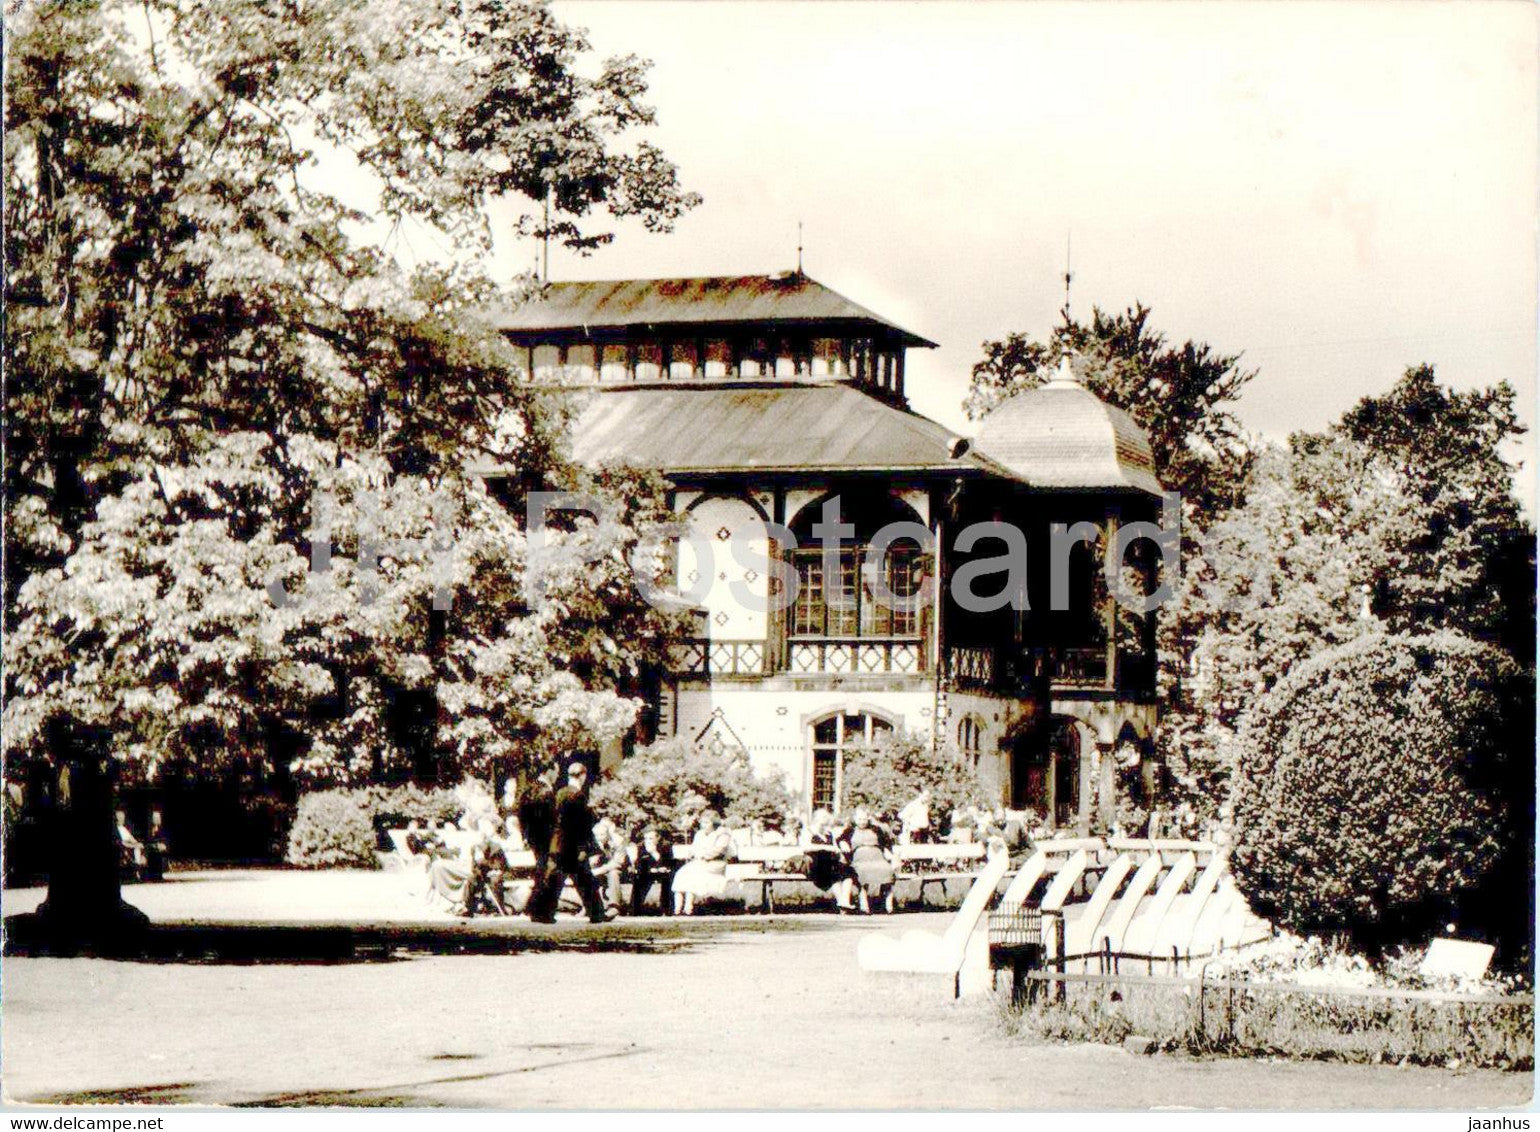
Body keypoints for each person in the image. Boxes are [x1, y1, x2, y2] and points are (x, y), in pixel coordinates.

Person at [527, 761, 609, 924]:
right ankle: (597, 913)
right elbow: (581, 826)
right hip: (571, 847)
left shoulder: (559, 793)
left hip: (558, 844)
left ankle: (542, 913)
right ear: (583, 776)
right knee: (584, 881)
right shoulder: (577, 796)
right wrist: (585, 847)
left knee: (555, 881)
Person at [671, 810, 735, 916]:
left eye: (707, 823)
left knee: (694, 873)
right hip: (699, 862)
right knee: (681, 874)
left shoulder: (723, 834)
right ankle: (677, 908)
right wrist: (695, 854)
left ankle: (688, 908)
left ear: (714, 823)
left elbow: (719, 850)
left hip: (715, 863)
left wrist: (703, 855)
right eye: (702, 822)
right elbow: (694, 849)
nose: (703, 825)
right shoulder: (699, 834)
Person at [838, 807, 897, 914]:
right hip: (860, 859)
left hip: (878, 857)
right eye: (860, 819)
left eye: (864, 819)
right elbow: (841, 839)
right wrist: (843, 844)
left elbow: (886, 844)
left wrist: (889, 854)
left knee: (887, 870)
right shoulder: (850, 831)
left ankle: (889, 904)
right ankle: (864, 904)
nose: (862, 822)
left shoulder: (876, 829)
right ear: (855, 819)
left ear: (868, 819)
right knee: (863, 871)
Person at [798, 808, 854, 911]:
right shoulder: (808, 831)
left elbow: (834, 848)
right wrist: (825, 847)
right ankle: (842, 902)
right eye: (821, 819)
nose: (823, 823)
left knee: (848, 871)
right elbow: (805, 847)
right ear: (815, 819)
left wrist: (839, 852)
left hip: (829, 863)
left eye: (825, 820)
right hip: (813, 864)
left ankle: (844, 901)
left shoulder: (829, 833)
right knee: (832, 873)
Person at [517, 764, 559, 880]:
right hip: (545, 836)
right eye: (556, 771)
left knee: (541, 865)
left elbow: (521, 814)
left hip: (532, 836)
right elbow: (552, 816)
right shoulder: (546, 792)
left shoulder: (528, 790)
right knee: (545, 867)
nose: (558, 775)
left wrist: (525, 834)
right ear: (549, 771)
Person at [628, 825, 676, 916]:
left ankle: (667, 910)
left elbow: (668, 863)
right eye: (646, 838)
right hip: (648, 871)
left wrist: (654, 853)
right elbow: (640, 863)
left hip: (663, 871)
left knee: (668, 879)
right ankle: (634, 909)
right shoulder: (642, 846)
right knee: (639, 879)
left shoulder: (666, 845)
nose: (648, 841)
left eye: (651, 838)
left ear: (658, 838)